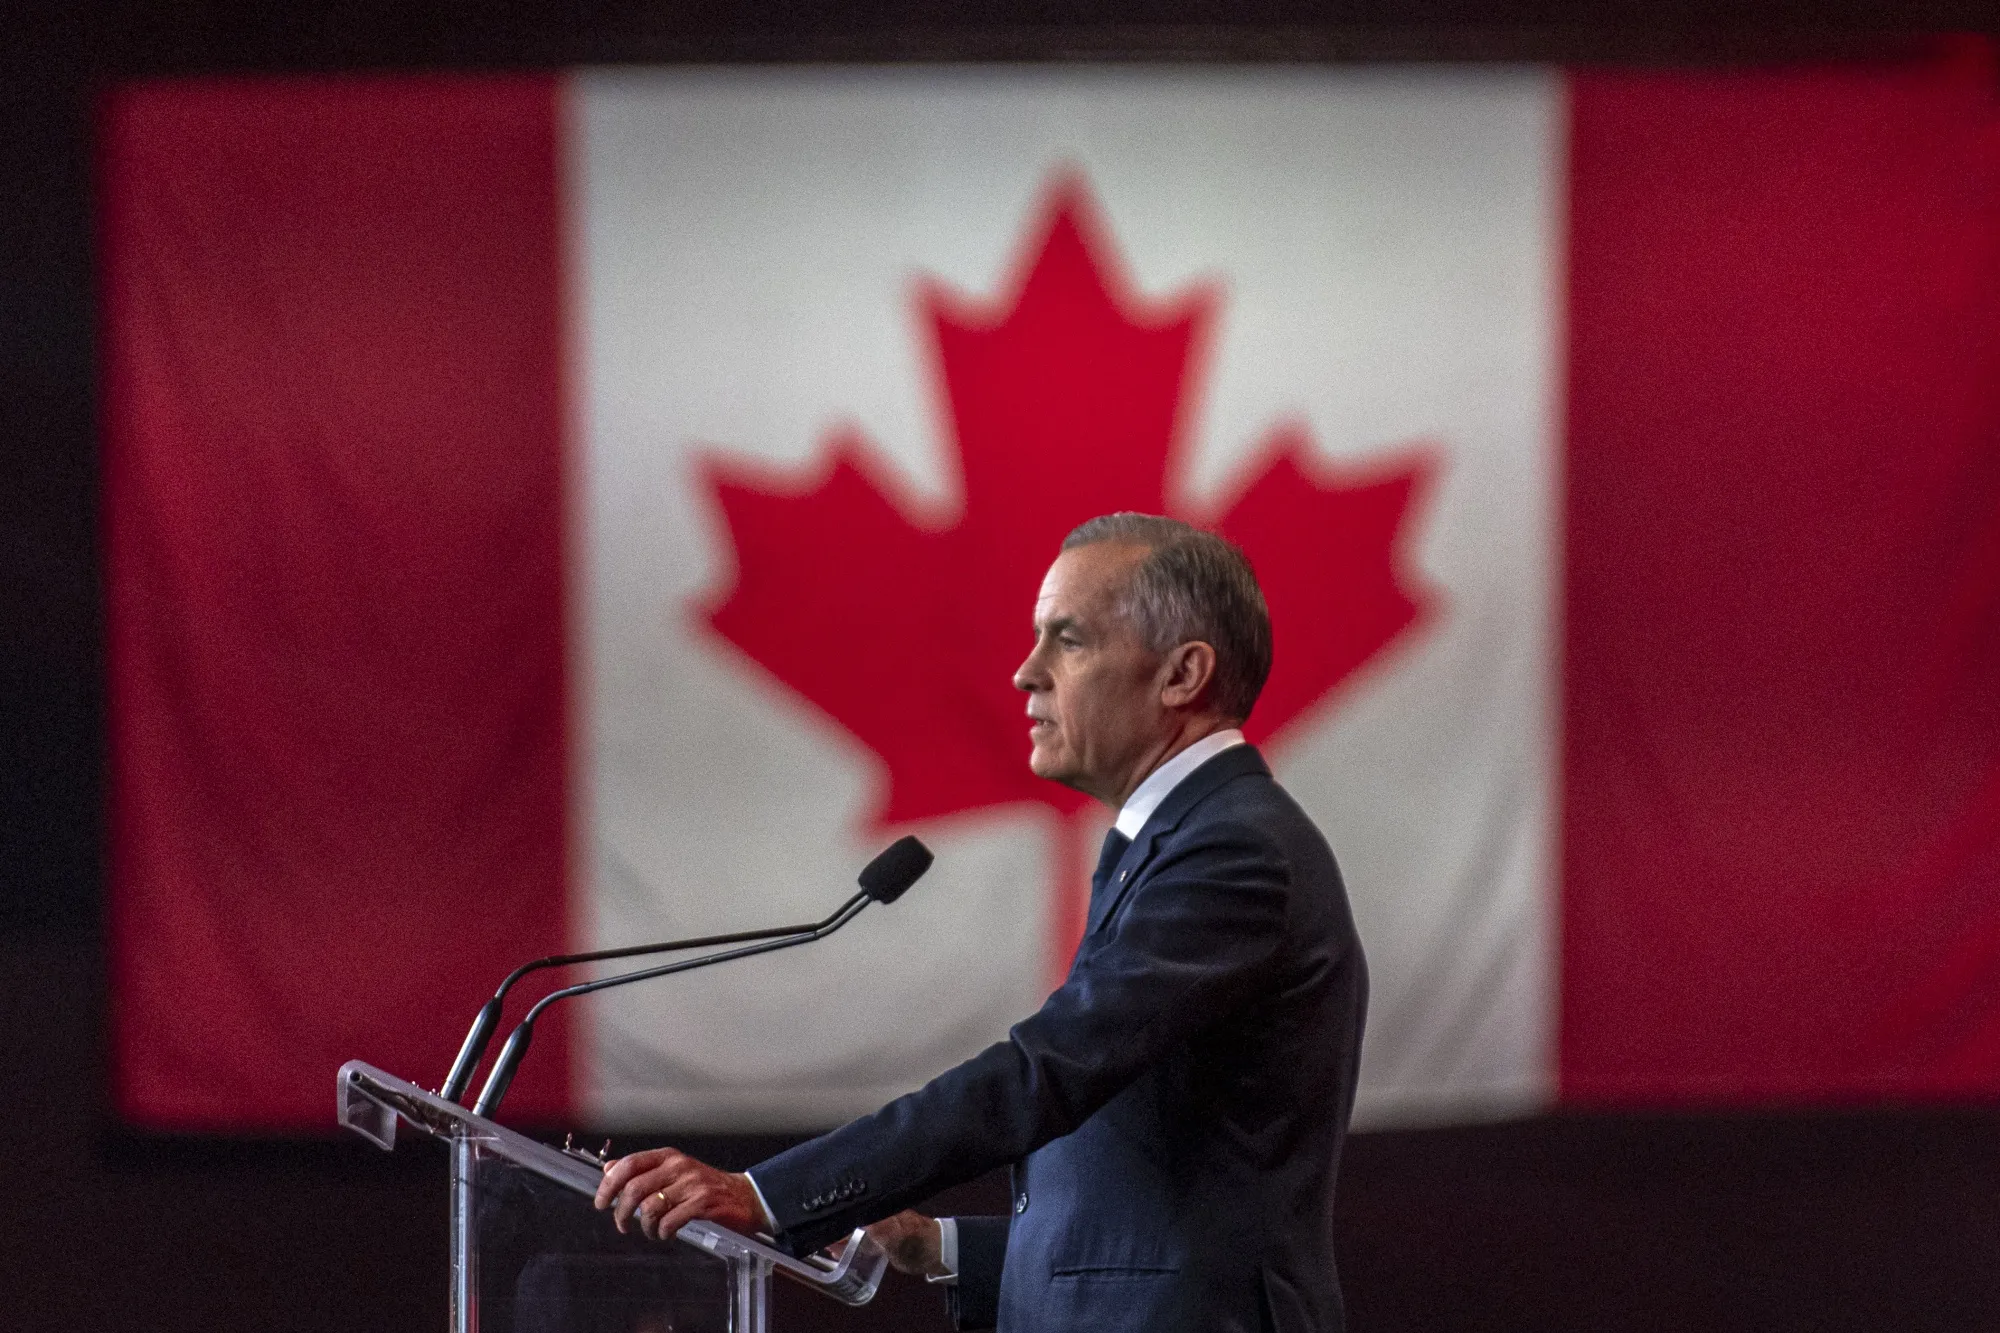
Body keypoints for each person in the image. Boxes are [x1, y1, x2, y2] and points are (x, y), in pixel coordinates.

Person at [596, 513, 1368, 1333]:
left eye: (1067, 640)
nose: (1025, 673)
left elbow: (1047, 1072)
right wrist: (946, 1247)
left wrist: (769, 1196)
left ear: (1183, 674)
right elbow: (1165, 1214)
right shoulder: (1187, 839)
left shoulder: (1233, 852)